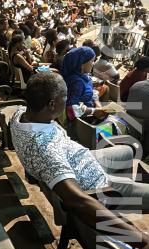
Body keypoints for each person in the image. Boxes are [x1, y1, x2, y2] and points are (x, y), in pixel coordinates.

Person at [10, 71, 149, 240]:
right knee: (131, 184)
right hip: (94, 186)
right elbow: (76, 200)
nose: (67, 100)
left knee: (128, 150)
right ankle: (116, 212)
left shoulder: (20, 113)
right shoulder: (45, 148)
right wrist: (138, 239)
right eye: (65, 96)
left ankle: (119, 211)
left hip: (81, 159)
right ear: (52, 104)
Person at [60, 46, 105, 121]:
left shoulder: (83, 77)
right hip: (84, 123)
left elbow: (90, 91)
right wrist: (93, 111)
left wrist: (97, 104)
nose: (93, 64)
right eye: (92, 61)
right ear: (82, 64)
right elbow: (71, 109)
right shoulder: (77, 82)